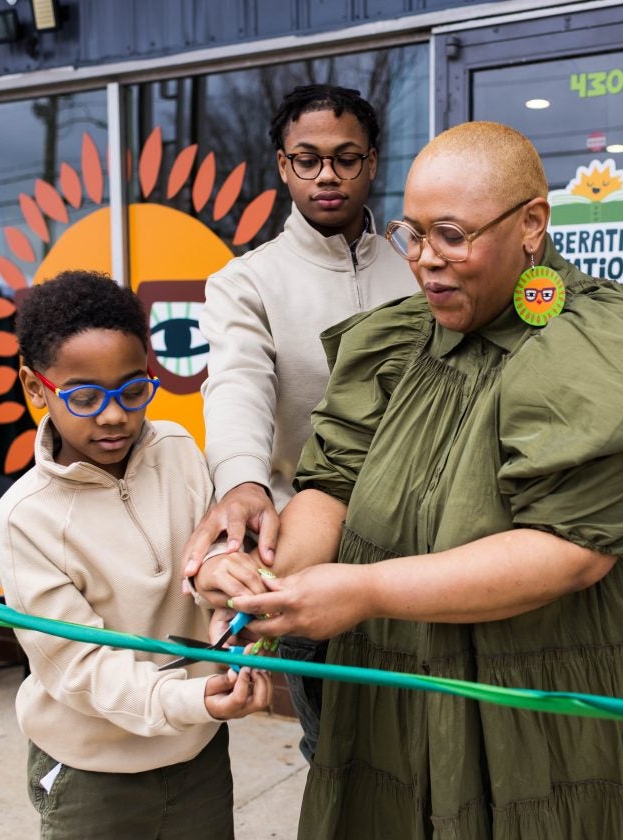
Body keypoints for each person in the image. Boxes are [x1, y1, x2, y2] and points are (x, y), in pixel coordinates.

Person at [196, 123, 623, 840]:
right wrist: (267, 582)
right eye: (412, 234)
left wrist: (364, 591)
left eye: (451, 236)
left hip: (555, 699)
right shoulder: (398, 341)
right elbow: (330, 485)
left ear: (532, 224)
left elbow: (571, 553)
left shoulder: (603, 355)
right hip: (408, 688)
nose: (423, 259)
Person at [0, 270, 271, 840]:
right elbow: (81, 668)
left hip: (196, 758)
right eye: (84, 397)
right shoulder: (23, 522)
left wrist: (233, 622)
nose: (114, 416)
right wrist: (193, 700)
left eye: (133, 390)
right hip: (93, 772)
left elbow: (210, 579)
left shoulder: (175, 449)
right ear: (38, 389)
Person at [183, 84, 414, 761]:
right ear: (282, 166)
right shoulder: (246, 282)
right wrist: (242, 482)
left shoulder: (418, 269)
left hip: (422, 541)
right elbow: (237, 385)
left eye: (346, 158)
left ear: (372, 163)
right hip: (311, 546)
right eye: (307, 159)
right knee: (339, 746)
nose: (327, 176)